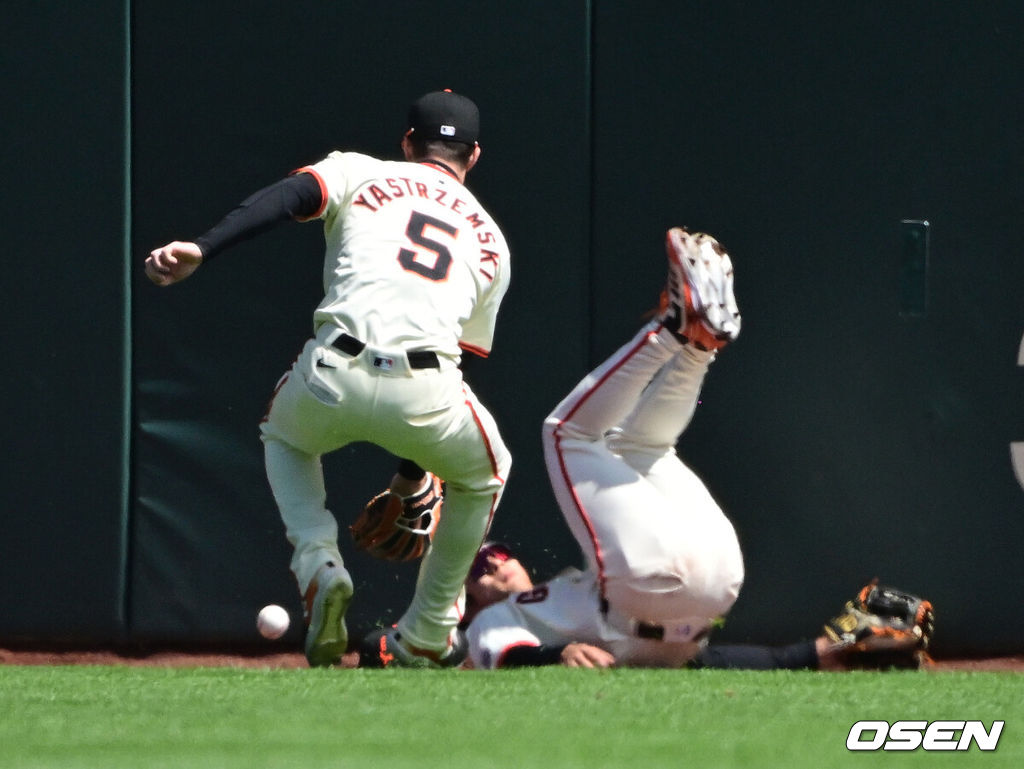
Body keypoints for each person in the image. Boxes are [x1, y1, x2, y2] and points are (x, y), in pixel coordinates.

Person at [359, 227, 932, 670]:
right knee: (565, 432)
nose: (498, 567)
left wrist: (815, 654)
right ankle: (673, 331)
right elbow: (497, 650)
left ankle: (698, 346)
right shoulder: (496, 622)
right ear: (467, 598)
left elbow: (710, 660)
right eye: (484, 568)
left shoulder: (557, 600)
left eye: (499, 557)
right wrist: (553, 656)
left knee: (644, 446)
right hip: (655, 591)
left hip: (712, 589)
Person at [145, 90, 512, 668]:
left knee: (285, 438)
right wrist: (414, 474)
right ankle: (429, 628)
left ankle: (318, 562)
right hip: (427, 389)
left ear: (407, 143)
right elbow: (454, 357)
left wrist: (203, 246)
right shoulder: (491, 239)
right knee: (485, 474)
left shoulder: (360, 171)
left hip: (330, 370)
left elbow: (288, 196)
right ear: (475, 155)